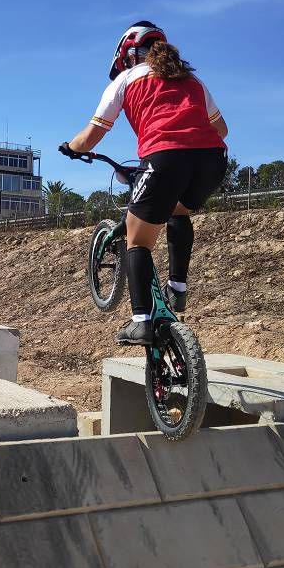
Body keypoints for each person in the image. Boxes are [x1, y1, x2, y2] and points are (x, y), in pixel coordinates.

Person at [62, 20, 228, 346]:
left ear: (128, 56)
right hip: (213, 161)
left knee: (137, 242)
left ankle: (142, 321)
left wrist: (70, 147)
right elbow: (221, 129)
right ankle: (177, 289)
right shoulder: (192, 80)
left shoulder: (125, 79)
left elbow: (92, 135)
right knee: (178, 211)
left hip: (165, 158)